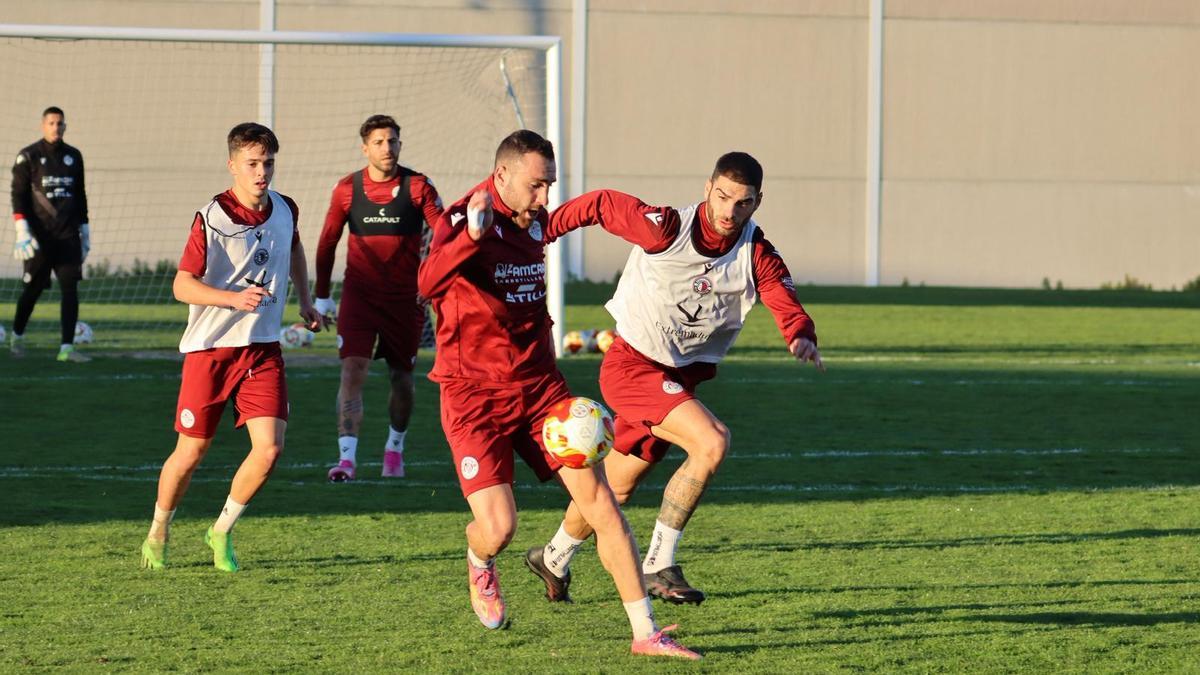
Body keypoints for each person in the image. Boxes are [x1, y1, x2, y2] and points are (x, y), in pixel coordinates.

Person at [416, 130, 699, 660]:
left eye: (550, 184)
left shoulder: (537, 216)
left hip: (541, 390)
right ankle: (479, 563)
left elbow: (590, 207)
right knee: (498, 528)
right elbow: (429, 282)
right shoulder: (464, 219)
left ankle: (645, 633)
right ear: (501, 176)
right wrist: (470, 239)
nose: (545, 197)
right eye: (536, 185)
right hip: (473, 395)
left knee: (601, 505)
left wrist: (640, 222)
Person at [525, 152, 823, 606]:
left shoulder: (755, 252)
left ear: (757, 203)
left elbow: (783, 295)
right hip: (631, 367)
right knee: (712, 441)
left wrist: (799, 333)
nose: (728, 211)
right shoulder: (664, 227)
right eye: (722, 196)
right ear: (708, 187)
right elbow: (603, 204)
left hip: (675, 382)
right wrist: (542, 232)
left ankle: (554, 556)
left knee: (618, 486)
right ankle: (658, 563)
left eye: (742, 203)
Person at [139, 122, 322, 573]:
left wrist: (305, 298)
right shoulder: (211, 217)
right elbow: (182, 285)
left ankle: (220, 531)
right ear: (232, 165)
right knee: (191, 452)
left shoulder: (285, 209)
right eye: (253, 164)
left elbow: (295, 249)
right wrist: (232, 298)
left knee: (270, 449)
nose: (262, 173)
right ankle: (159, 529)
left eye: (268, 163)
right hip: (211, 351)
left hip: (261, 349)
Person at [314, 115, 444, 482]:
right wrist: (323, 296)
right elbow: (327, 243)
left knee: (402, 378)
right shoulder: (347, 189)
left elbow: (446, 233)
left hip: (406, 300)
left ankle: (394, 449)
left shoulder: (418, 187)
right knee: (352, 371)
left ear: (400, 145)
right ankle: (347, 460)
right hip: (359, 297)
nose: (387, 148)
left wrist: (432, 279)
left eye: (393, 141)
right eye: (379, 142)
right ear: (365, 148)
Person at [9, 106, 92, 362]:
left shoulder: (74, 157)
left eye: (60, 123)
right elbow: (18, 195)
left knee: (70, 290)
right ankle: (17, 336)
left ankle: (66, 348)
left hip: (68, 237)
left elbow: (80, 195)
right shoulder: (29, 156)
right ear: (43, 125)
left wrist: (85, 229)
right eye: (52, 123)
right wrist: (22, 229)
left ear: (65, 127)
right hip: (39, 238)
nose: (56, 127)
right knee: (33, 290)